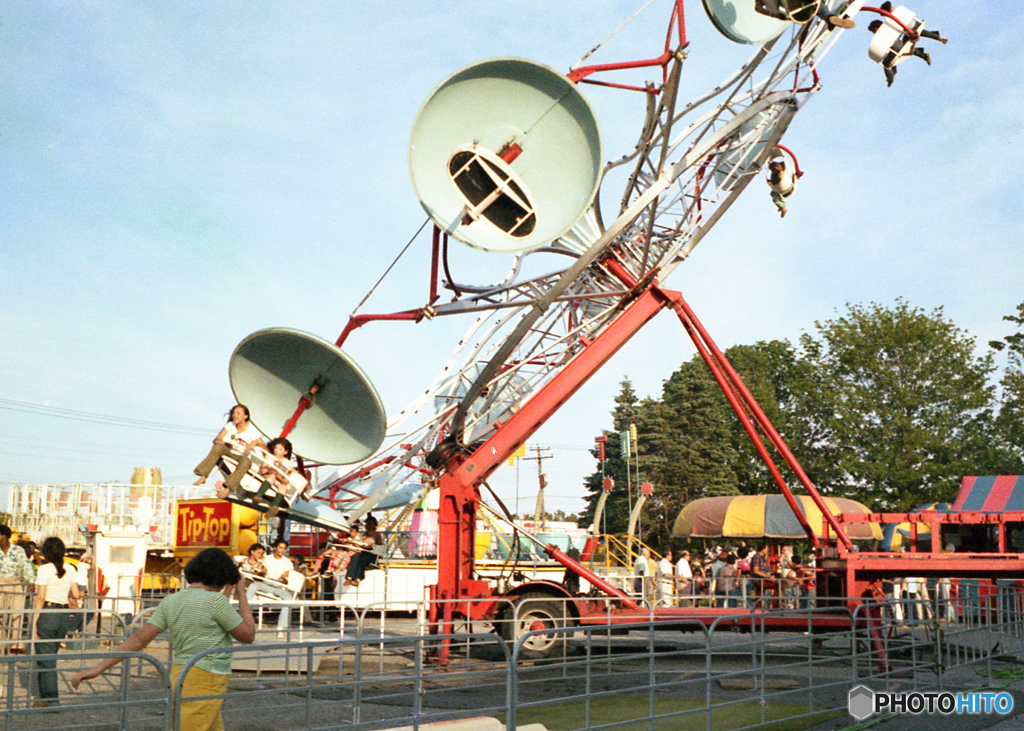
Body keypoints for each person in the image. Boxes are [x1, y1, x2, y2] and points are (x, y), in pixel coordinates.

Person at [72, 547, 255, 731]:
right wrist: (241, 594)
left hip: (180, 673)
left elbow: (138, 639)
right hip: (208, 675)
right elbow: (248, 635)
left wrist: (98, 669)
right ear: (223, 576)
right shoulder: (217, 603)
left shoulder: (171, 601)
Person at [32, 537, 80, 709]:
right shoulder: (70, 568)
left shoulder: (44, 569)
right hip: (63, 615)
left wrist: (35, 620)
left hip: (48, 613)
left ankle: (50, 700)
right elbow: (76, 594)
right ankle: (48, 698)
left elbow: (41, 597)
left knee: (45, 659)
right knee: (51, 655)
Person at [193, 404, 265, 496]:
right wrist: (220, 441)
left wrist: (254, 443)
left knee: (246, 462)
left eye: (238, 413)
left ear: (245, 416)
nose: (235, 415)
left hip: (241, 456)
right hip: (228, 451)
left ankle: (228, 490)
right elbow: (216, 439)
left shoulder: (252, 431)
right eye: (234, 413)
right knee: (217, 448)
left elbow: (263, 447)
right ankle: (203, 475)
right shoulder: (230, 425)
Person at [248, 538, 295, 637]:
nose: (282, 550)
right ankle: (246, 616)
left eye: (284, 548)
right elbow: (262, 569)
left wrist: (285, 578)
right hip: (266, 583)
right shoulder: (267, 558)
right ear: (275, 548)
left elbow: (288, 580)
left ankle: (281, 628)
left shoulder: (287, 562)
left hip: (278, 585)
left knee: (288, 598)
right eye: (280, 548)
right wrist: (260, 571)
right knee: (253, 586)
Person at [251, 437, 307, 518]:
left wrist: (282, 478)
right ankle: (259, 495)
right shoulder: (270, 457)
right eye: (276, 448)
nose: (276, 450)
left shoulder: (288, 463)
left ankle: (274, 507)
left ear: (285, 452)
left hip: (278, 481)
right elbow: (263, 471)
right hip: (268, 477)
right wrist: (272, 465)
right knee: (272, 476)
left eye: (280, 449)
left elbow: (286, 481)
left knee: (283, 487)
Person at [0, 525, 34, 654]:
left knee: (17, 615)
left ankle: (16, 644)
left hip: (15, 583)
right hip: (0, 584)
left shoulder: (18, 550)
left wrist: (31, 581)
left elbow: (26, 566)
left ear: (7, 537)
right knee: (0, 616)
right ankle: (1, 644)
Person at [344, 515, 383, 587]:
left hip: (372, 553)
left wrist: (363, 544)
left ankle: (357, 578)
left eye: (370, 524)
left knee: (362, 560)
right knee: (355, 557)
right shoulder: (364, 534)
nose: (368, 526)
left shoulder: (375, 534)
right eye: (367, 524)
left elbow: (371, 543)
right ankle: (349, 577)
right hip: (363, 551)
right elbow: (359, 540)